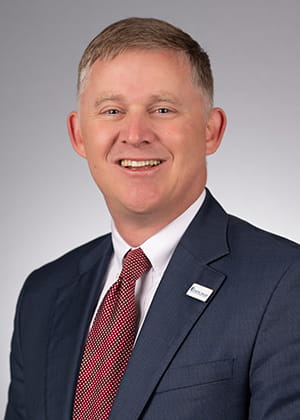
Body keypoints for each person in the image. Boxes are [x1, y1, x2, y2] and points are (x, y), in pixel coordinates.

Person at [5, 17, 300, 420]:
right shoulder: (44, 294)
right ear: (78, 135)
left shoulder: (284, 284)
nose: (136, 133)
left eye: (163, 109)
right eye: (112, 110)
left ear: (211, 131)